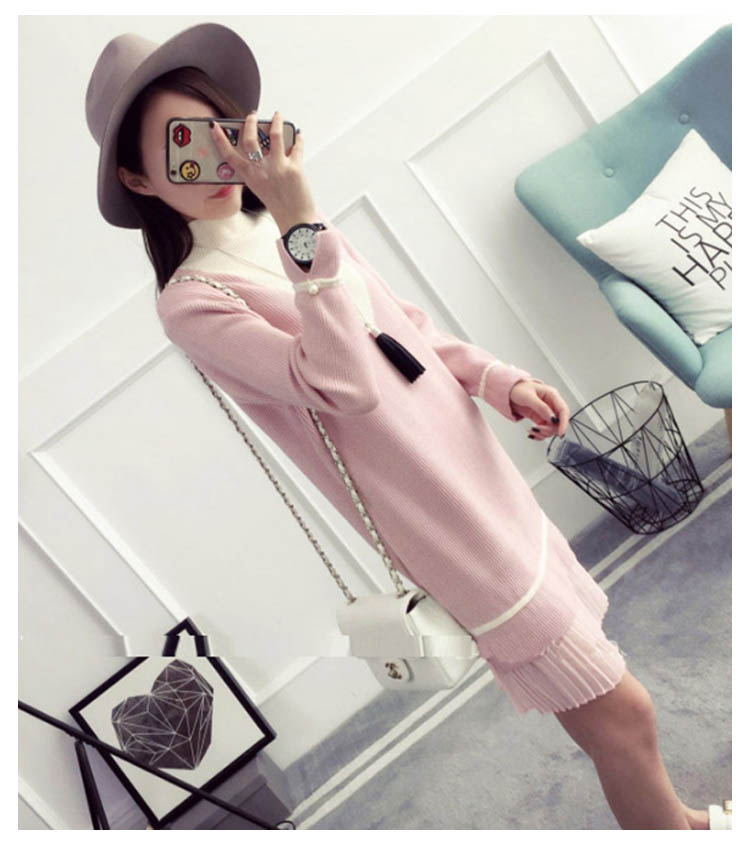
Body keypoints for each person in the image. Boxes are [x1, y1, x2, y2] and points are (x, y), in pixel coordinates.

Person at [85, 22, 727, 831]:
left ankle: (679, 825)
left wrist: (497, 380)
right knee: (624, 713)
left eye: (221, 134)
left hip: (481, 473)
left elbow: (404, 328)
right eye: (181, 149)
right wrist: (300, 223)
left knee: (604, 711)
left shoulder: (287, 233)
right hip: (445, 524)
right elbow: (341, 382)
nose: (214, 162)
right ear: (138, 178)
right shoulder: (195, 302)